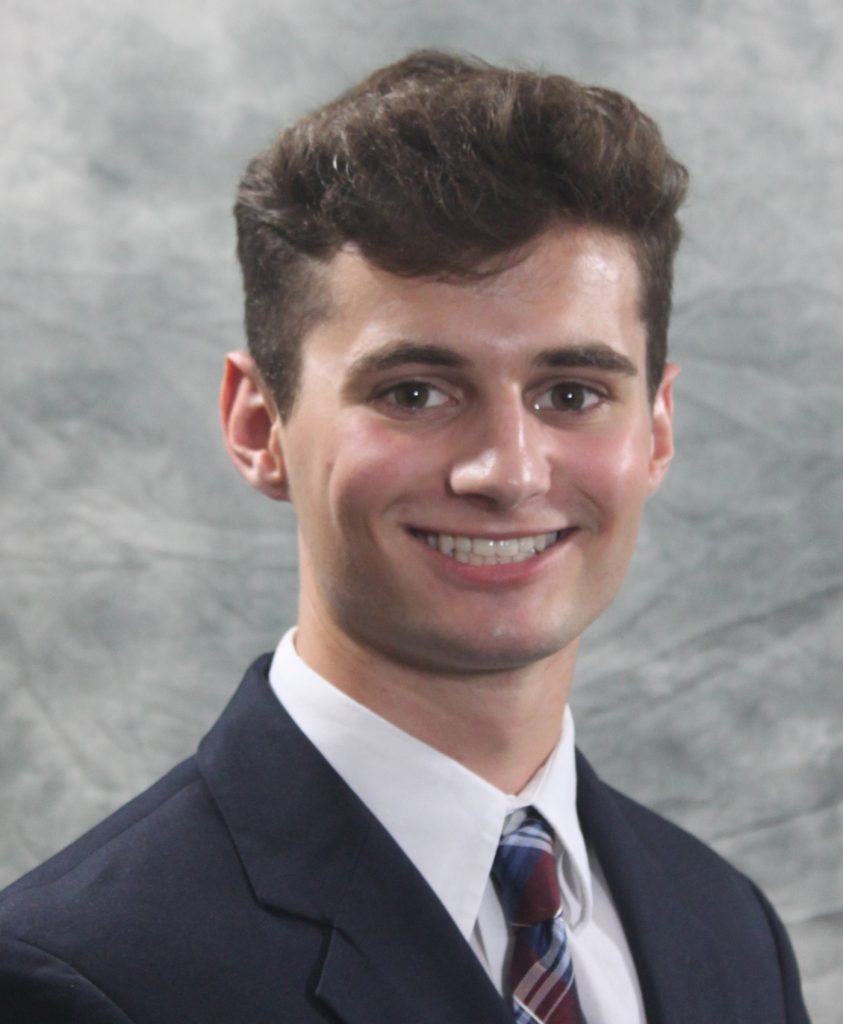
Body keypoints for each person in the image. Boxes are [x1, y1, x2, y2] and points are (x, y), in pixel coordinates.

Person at [0, 50, 811, 1023]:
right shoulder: (77, 978)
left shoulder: (726, 928)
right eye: (415, 392)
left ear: (657, 429)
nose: (508, 470)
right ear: (258, 426)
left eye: (573, 393)